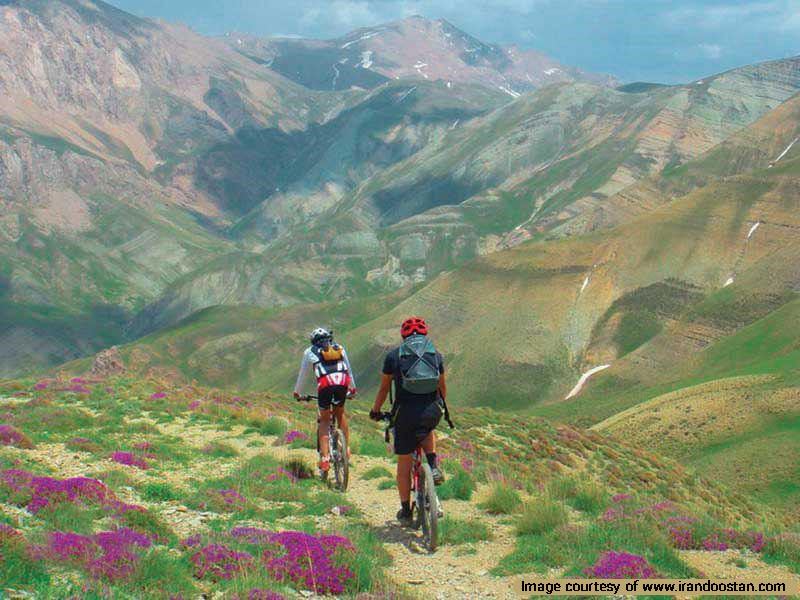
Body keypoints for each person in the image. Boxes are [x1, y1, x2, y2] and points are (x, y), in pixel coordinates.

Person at [370, 316, 446, 526]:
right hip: (431, 410)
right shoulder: (435, 354)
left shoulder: (394, 356)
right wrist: (439, 407)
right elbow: (442, 388)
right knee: (428, 429)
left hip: (404, 414)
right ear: (424, 334)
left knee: (404, 465)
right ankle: (433, 465)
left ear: (403, 336)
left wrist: (376, 410)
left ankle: (405, 511)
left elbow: (384, 389)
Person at [293, 328, 356, 473]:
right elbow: (349, 370)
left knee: (325, 420)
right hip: (342, 382)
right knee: (340, 413)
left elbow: (303, 374)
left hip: (325, 385)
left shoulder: (310, 352)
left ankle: (325, 459)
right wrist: (353, 389)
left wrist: (297, 392)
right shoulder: (339, 348)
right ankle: (346, 449)